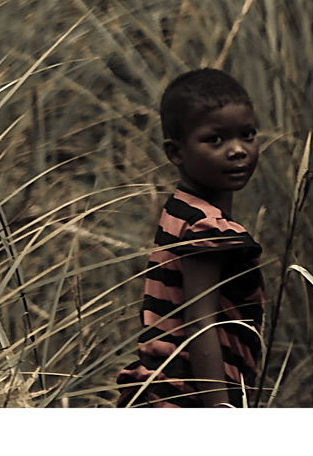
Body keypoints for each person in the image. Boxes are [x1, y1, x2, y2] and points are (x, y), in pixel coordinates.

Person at [116, 68, 265, 407]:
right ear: (176, 153)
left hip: (166, 384)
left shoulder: (181, 208)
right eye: (216, 140)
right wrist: (219, 407)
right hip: (187, 396)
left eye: (248, 134)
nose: (238, 150)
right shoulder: (207, 228)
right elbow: (201, 323)